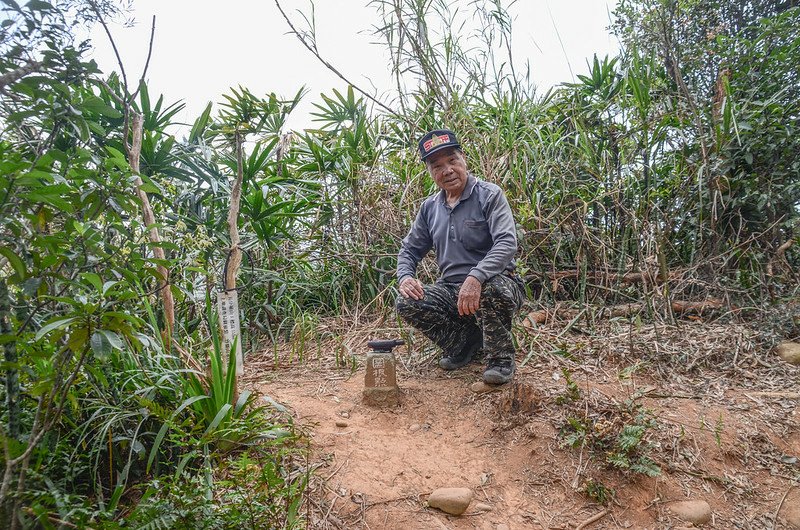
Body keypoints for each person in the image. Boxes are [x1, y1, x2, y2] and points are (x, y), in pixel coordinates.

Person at [396, 129, 525, 385]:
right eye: (437, 165)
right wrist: (406, 276)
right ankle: (464, 344)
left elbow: (507, 242)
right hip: (452, 289)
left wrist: (476, 276)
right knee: (407, 302)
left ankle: (500, 359)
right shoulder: (430, 208)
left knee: (491, 288)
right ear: (430, 172)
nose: (447, 170)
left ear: (464, 159)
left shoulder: (489, 195)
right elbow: (409, 249)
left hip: (499, 281)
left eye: (452, 160)